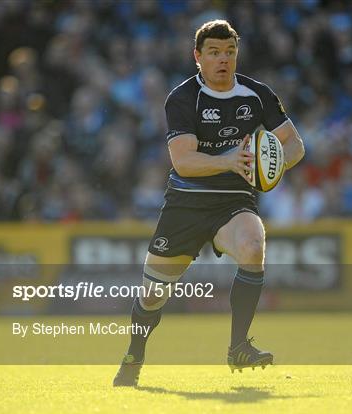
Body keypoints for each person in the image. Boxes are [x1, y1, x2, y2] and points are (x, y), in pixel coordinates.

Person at [113, 20, 305, 387]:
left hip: (233, 200)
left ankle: (238, 347)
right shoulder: (183, 98)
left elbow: (295, 145)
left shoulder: (257, 94)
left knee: (253, 244)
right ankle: (133, 355)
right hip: (186, 203)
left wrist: (275, 161)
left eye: (230, 52)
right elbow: (183, 161)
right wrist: (230, 160)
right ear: (197, 57)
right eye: (214, 53)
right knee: (153, 295)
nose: (223, 60)